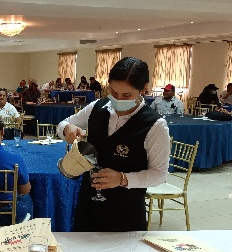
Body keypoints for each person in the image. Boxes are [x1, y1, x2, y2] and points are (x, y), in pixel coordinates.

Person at [58, 56, 170, 232]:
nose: (118, 99)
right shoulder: (97, 107)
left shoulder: (155, 125)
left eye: (127, 95)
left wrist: (123, 179)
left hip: (126, 210)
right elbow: (63, 124)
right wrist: (67, 129)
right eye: (113, 92)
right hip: (88, 204)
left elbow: (159, 174)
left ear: (143, 89)